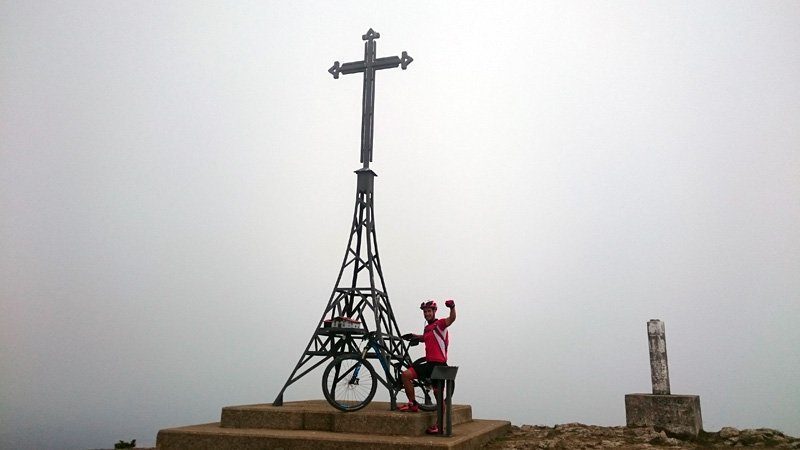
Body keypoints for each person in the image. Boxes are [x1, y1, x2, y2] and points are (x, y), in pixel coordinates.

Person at [398, 298, 456, 433]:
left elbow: (452, 319)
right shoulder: (427, 328)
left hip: (440, 365)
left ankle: (439, 425)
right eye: (425, 312)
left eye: (429, 311)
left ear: (434, 311)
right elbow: (426, 338)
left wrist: (452, 307)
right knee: (406, 375)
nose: (426, 314)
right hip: (429, 364)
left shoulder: (441, 324)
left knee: (437, 395)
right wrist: (415, 336)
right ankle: (412, 404)